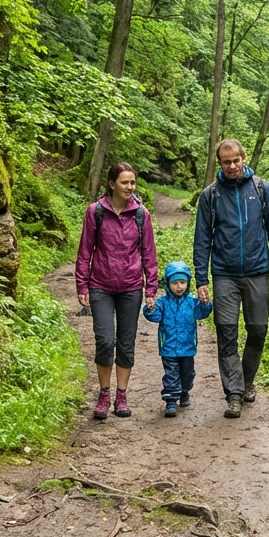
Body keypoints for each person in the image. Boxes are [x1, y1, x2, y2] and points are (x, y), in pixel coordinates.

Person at [192, 139, 269, 420]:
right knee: (227, 333)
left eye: (236, 160)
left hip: (258, 271)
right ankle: (233, 393)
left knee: (257, 331)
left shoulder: (261, 188)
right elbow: (202, 240)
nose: (232, 166)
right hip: (224, 274)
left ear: (243, 157)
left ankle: (246, 382)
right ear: (219, 163)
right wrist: (201, 278)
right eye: (226, 162)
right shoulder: (210, 195)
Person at [75, 162, 158, 420]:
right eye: (125, 183)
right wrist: (82, 284)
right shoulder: (95, 212)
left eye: (132, 183)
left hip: (131, 287)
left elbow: (149, 254)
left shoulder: (141, 214)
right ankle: (104, 393)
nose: (130, 187)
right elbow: (85, 251)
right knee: (105, 340)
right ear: (112, 184)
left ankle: (121, 396)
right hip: (100, 285)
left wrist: (151, 288)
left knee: (125, 343)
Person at [142, 261, 214, 417]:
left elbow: (202, 313)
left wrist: (206, 303)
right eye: (175, 283)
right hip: (168, 348)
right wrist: (150, 308)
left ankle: (184, 391)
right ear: (168, 284)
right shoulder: (162, 303)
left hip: (187, 348)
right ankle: (171, 400)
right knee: (171, 375)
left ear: (188, 283)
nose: (179, 286)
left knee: (188, 374)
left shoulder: (192, 302)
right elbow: (154, 317)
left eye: (182, 282)